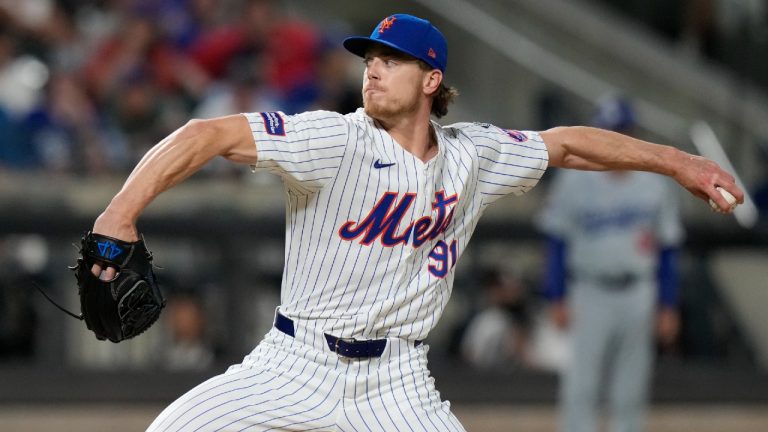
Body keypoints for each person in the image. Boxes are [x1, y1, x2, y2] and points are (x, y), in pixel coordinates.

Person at [87, 13, 742, 432]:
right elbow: (206, 133)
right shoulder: (333, 141)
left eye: (392, 59)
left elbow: (566, 143)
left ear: (432, 79)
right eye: (370, 56)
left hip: (394, 382)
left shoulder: (476, 155)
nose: (373, 66)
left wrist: (676, 160)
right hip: (291, 362)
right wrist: (121, 210)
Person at [537, 96, 684, 432]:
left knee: (631, 388)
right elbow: (556, 241)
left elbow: (668, 249)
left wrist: (668, 304)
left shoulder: (655, 184)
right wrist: (555, 295)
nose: (615, 139)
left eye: (621, 131)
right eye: (609, 131)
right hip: (590, 289)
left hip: (638, 290)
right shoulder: (573, 181)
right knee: (582, 385)